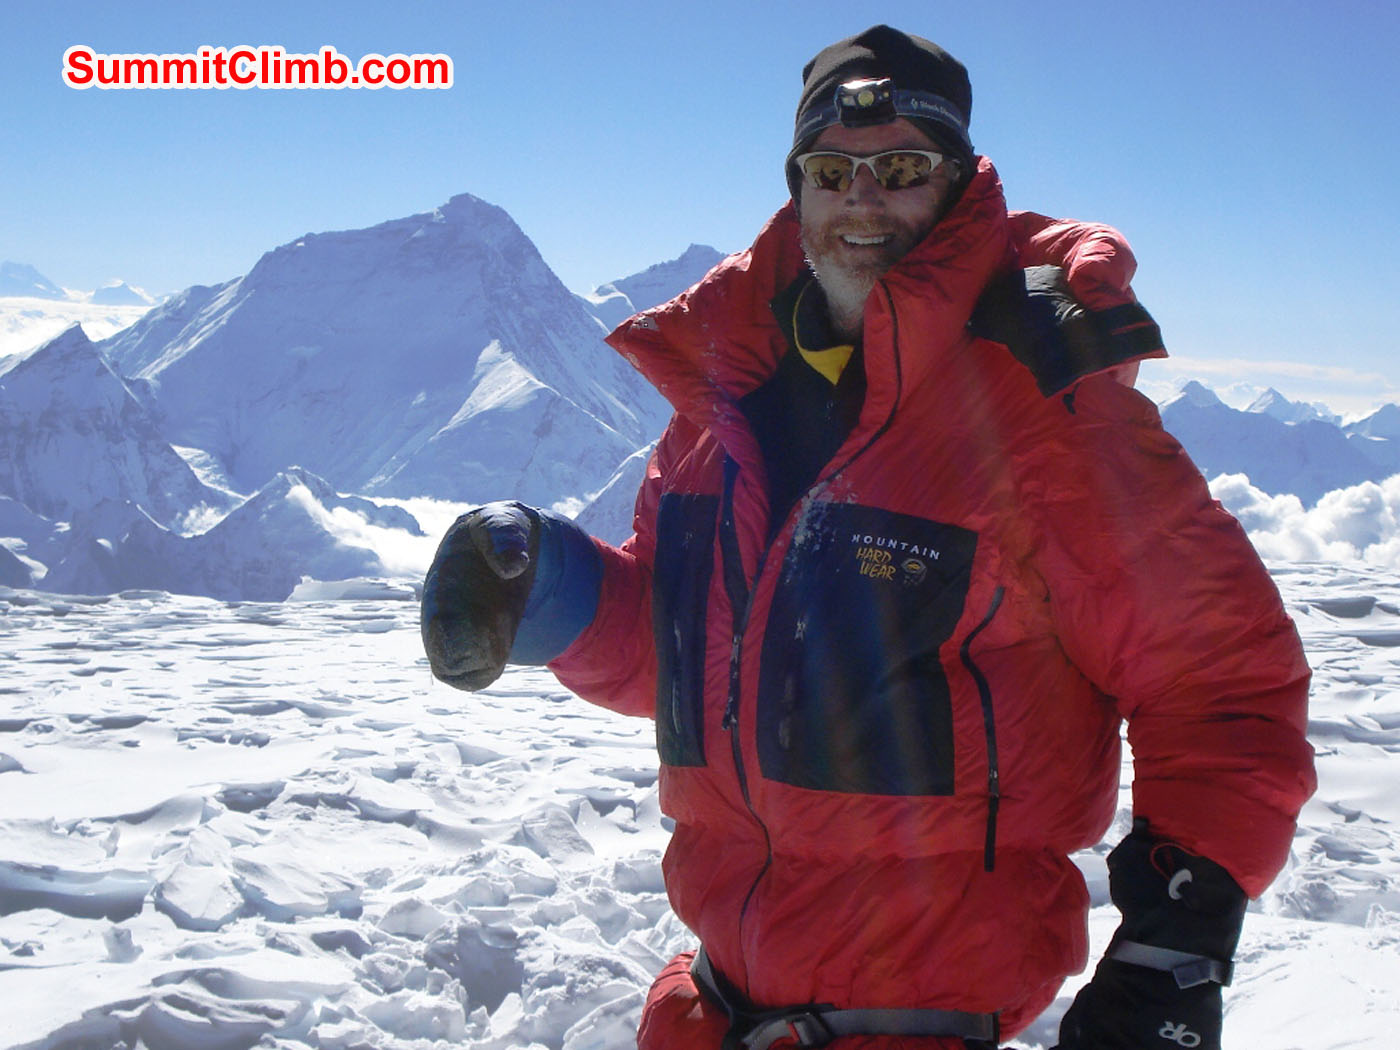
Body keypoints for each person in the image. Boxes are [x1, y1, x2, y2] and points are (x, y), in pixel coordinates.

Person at [421, 26, 1315, 1050]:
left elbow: (1219, 681)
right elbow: (690, 657)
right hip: (710, 1006)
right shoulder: (725, 400)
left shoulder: (1039, 407)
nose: (862, 198)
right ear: (796, 188)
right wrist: (548, 586)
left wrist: (1174, 945)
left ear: (954, 184)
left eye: (899, 168)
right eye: (832, 170)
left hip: (914, 1025)